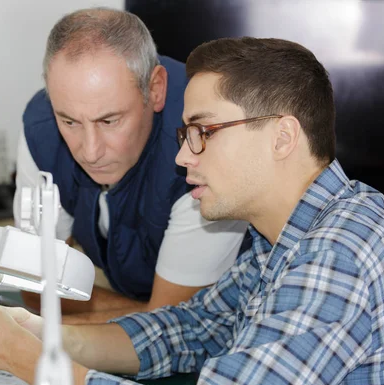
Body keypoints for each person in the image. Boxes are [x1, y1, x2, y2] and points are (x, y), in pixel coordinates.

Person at [0, 36, 384, 385]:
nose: (185, 156)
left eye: (203, 131)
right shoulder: (281, 243)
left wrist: (14, 355)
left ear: (283, 137)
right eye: (186, 134)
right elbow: (186, 331)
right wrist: (31, 330)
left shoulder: (339, 249)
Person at [14, 7, 248, 323]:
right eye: (69, 121)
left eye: (109, 120)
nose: (91, 152)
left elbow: (174, 325)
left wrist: (51, 319)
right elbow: (33, 286)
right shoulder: (40, 128)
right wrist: (145, 315)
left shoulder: (207, 146)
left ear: (155, 90)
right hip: (134, 289)